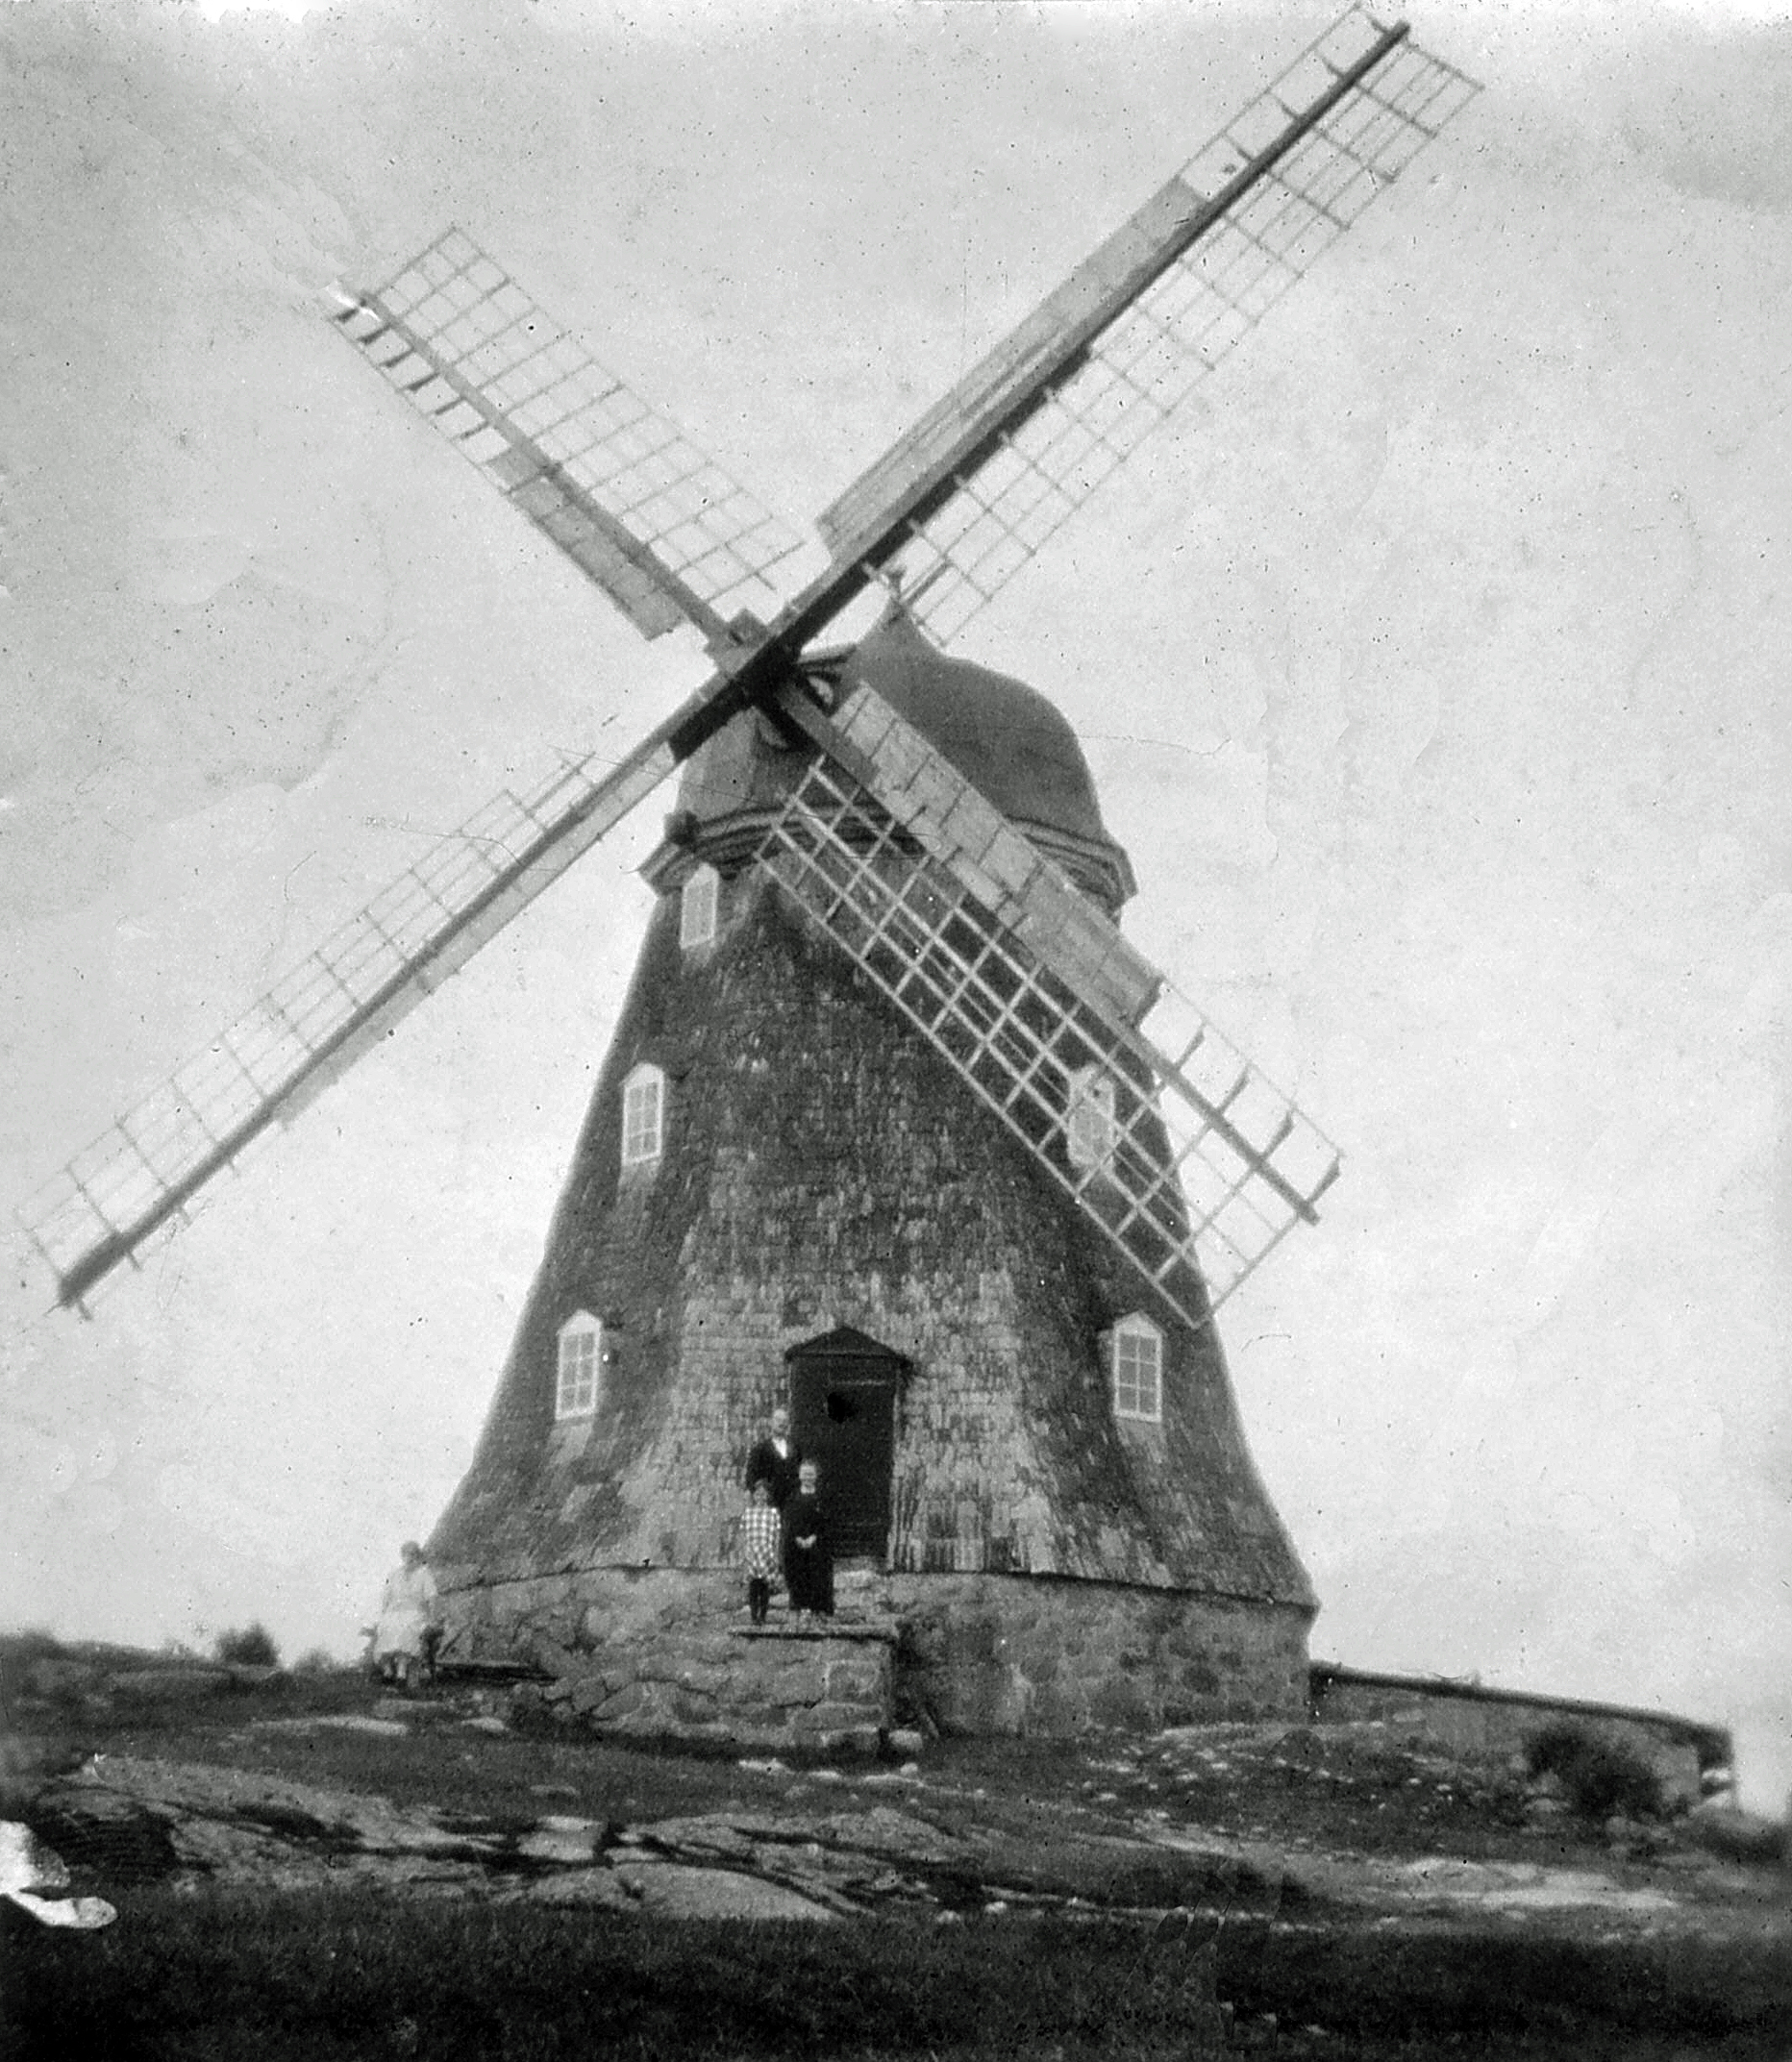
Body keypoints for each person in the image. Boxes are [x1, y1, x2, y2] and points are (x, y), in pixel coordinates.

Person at [373, 1540, 440, 1691]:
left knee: (407, 1627)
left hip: (416, 1611)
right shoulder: (395, 1574)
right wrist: (382, 1615)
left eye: (413, 1555)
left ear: (418, 1556)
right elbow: (386, 1596)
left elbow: (432, 1597)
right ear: (402, 1556)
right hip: (394, 1612)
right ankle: (388, 1670)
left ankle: (402, 1671)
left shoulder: (424, 1573)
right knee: (385, 1627)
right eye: (406, 1555)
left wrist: (433, 1618)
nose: (409, 1558)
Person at [782, 1458, 833, 1624]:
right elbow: (788, 1520)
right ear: (799, 1475)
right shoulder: (792, 1497)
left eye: (811, 1474)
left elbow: (826, 1520)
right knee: (798, 1576)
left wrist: (813, 1537)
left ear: (816, 1475)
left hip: (818, 1544)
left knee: (817, 1576)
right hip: (796, 1544)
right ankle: (799, 1610)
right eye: (804, 1474)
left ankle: (818, 1612)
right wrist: (797, 1537)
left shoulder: (822, 1497)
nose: (807, 1477)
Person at [745, 1404, 802, 1513]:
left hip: (792, 1504)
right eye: (778, 1420)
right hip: (769, 1504)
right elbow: (751, 1477)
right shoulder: (760, 1449)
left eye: (785, 1421)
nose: (782, 1423)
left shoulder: (795, 1448)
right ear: (771, 1423)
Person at [740, 1478, 782, 1627]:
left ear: (768, 1496)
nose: (760, 1497)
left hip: (767, 1552)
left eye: (763, 1494)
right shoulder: (748, 1513)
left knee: (765, 1585)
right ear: (754, 1496)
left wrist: (775, 1554)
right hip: (753, 1552)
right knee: (753, 1585)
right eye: (758, 1494)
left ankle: (763, 1616)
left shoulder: (773, 1513)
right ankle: (753, 1616)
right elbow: (744, 1533)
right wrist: (746, 1552)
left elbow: (776, 1534)